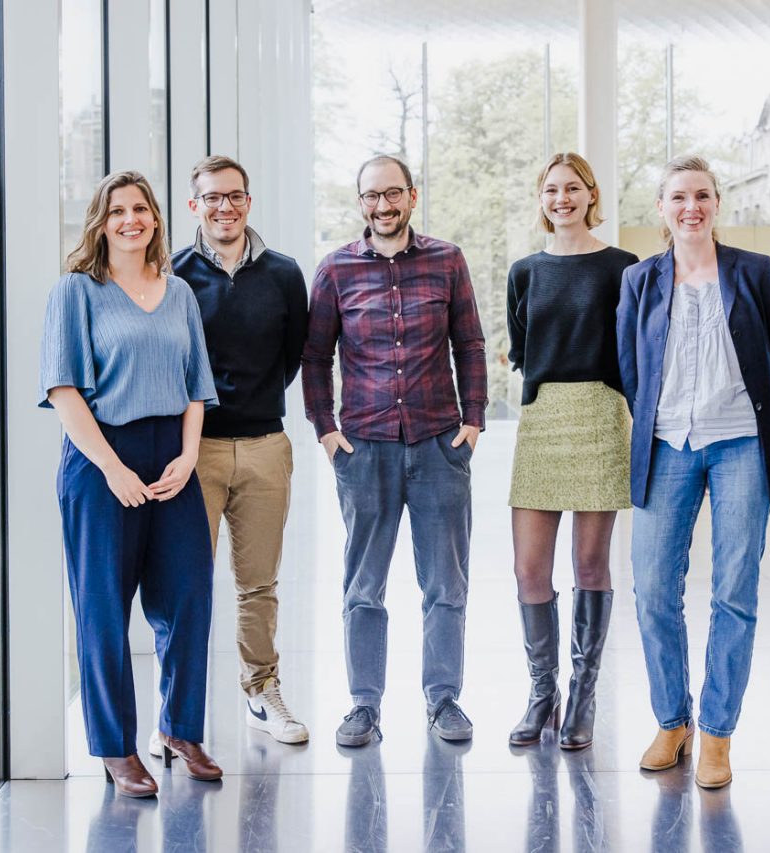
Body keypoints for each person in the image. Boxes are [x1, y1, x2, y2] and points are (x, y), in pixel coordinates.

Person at [40, 170, 222, 797]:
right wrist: (113, 468)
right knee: (103, 610)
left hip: (172, 456)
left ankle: (181, 727)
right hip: (100, 461)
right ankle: (116, 748)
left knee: (189, 596)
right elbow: (63, 390)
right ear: (100, 221)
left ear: (155, 219)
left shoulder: (178, 293)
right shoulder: (77, 292)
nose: (130, 219)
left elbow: (198, 384)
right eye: (117, 210)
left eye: (140, 208)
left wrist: (188, 455)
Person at [617, 156, 770, 788]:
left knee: (734, 591)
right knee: (653, 590)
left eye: (701, 196)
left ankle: (718, 733)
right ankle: (673, 722)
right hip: (667, 445)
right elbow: (631, 370)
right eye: (677, 197)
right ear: (662, 209)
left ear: (717, 203)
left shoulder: (753, 272)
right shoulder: (640, 280)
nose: (690, 207)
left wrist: (766, 419)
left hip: (741, 444)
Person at [301, 154, 488, 747]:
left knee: (445, 586)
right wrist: (326, 431)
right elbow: (314, 358)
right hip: (365, 449)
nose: (382, 206)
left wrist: (474, 421)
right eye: (371, 197)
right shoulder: (335, 271)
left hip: (438, 445)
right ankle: (364, 706)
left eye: (392, 194)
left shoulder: (447, 260)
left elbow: (471, 344)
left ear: (412, 195)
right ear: (361, 204)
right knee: (364, 588)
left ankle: (444, 701)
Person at [166, 155, 310, 745]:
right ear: (194, 205)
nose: (225, 207)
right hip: (192, 453)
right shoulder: (171, 276)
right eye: (213, 197)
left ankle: (262, 691)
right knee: (185, 583)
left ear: (248, 202)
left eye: (235, 196)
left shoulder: (284, 273)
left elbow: (293, 357)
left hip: (264, 447)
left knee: (258, 584)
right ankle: (178, 714)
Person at [504, 152, 638, 750]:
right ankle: (542, 694)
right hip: (542, 418)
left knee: (590, 566)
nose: (562, 198)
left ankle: (583, 695)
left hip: (600, 414)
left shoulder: (623, 267)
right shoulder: (524, 271)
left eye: (573, 188)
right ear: (542, 198)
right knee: (529, 569)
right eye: (551, 189)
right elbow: (521, 346)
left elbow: (635, 348)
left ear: (591, 194)